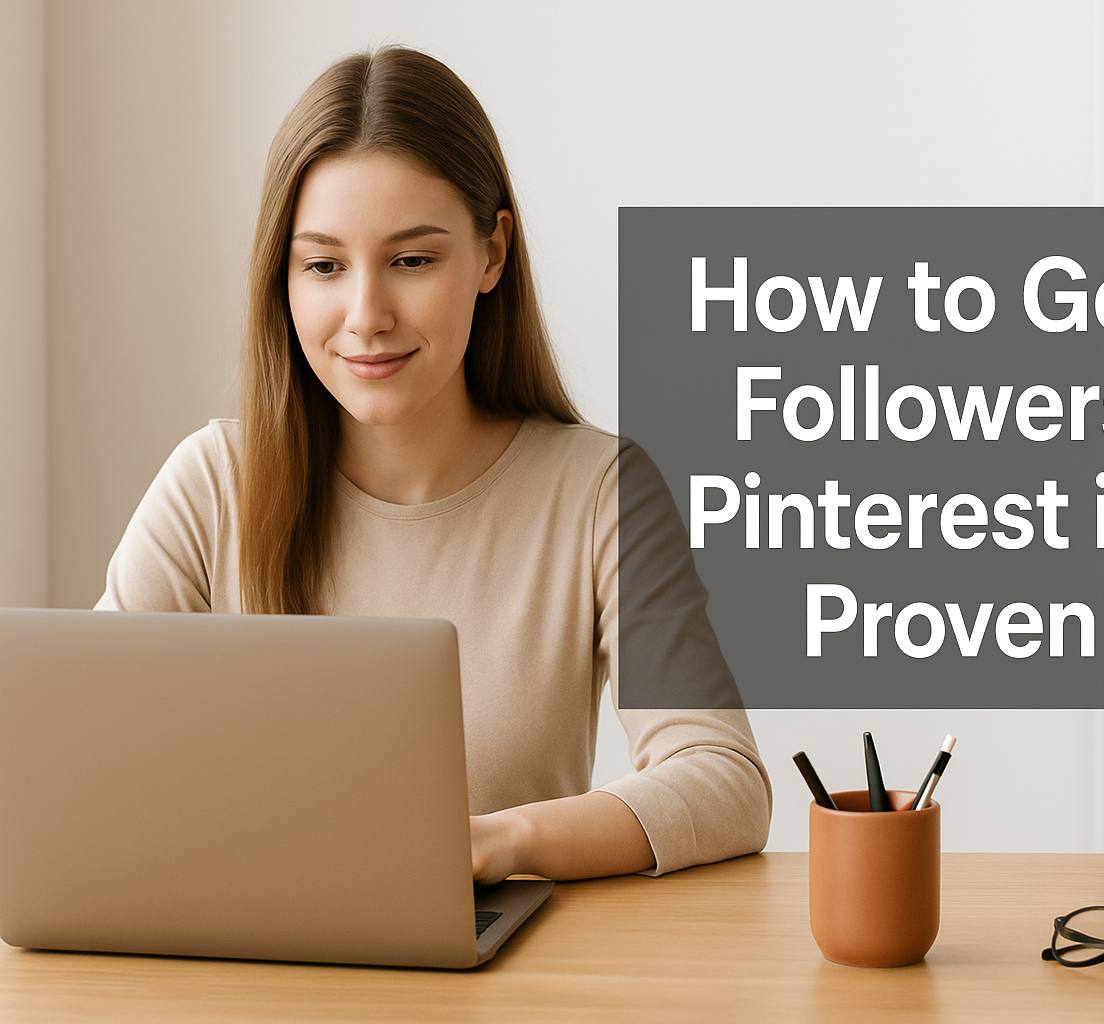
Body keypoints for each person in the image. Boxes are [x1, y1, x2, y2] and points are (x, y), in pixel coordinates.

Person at [95, 45, 771, 881]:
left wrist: (500, 842)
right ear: (283, 277)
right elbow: (83, 759)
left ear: (492, 255)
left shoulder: (600, 492)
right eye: (323, 266)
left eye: (412, 260)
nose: (367, 314)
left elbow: (724, 779)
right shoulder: (212, 485)